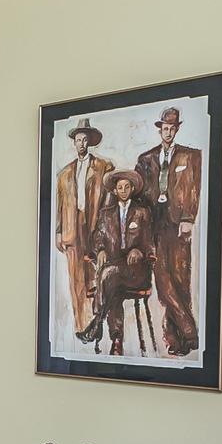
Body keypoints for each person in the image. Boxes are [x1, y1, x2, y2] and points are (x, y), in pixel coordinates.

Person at [136, 105, 201, 355]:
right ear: (159, 129)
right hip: (154, 223)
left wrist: (188, 218)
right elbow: (138, 193)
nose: (169, 132)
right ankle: (188, 329)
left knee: (181, 279)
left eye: (173, 128)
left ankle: (176, 342)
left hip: (177, 223)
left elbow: (194, 189)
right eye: (165, 128)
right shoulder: (146, 159)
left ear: (177, 130)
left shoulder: (190, 156)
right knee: (163, 281)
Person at [76, 170, 152, 355]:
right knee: (113, 290)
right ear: (115, 191)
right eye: (120, 188)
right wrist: (100, 249)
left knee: (107, 275)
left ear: (132, 189)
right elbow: (98, 237)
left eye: (127, 187)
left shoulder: (142, 213)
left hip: (135, 271)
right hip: (113, 274)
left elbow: (150, 243)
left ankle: (96, 324)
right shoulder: (106, 214)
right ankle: (116, 341)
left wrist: (139, 251)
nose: (124, 190)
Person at [53, 118, 113, 333]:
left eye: (85, 140)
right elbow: (59, 206)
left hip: (93, 226)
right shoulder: (64, 174)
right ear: (74, 143)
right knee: (76, 277)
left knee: (94, 275)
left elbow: (108, 201)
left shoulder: (103, 167)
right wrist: (59, 232)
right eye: (78, 140)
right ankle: (81, 324)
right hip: (72, 227)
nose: (81, 144)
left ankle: (96, 322)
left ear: (90, 142)